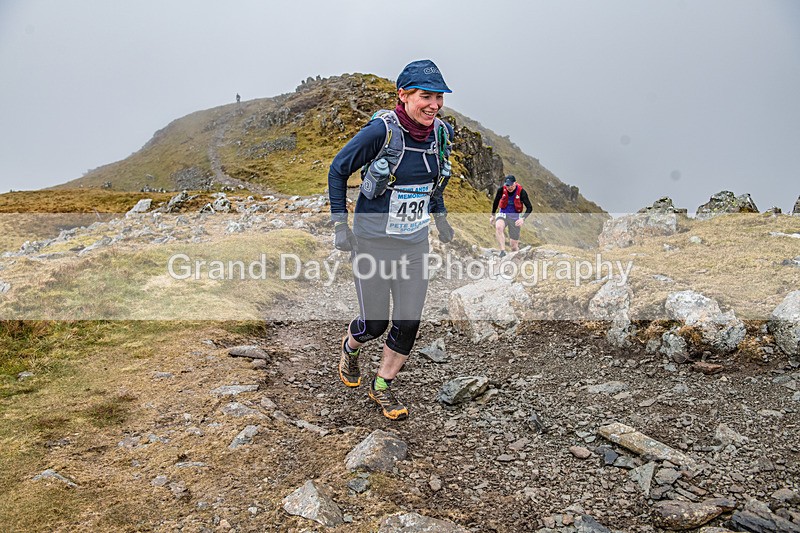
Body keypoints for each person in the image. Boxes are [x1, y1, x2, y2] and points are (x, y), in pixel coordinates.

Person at [328, 59, 455, 420]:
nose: (434, 105)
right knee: (376, 323)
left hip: (414, 243)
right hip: (373, 242)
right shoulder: (381, 132)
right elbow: (338, 169)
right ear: (403, 95)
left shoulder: (440, 134)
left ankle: (381, 385)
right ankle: (351, 346)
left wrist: (441, 220)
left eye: (439, 97)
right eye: (425, 96)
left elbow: (435, 182)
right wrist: (340, 225)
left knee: (409, 319)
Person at [490, 175, 533, 257]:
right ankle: (502, 251)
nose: (509, 187)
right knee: (498, 227)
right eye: (507, 185)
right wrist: (492, 215)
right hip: (503, 213)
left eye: (511, 185)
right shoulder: (501, 190)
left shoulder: (522, 192)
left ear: (515, 183)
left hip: (515, 217)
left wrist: (522, 219)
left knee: (513, 246)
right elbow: (495, 202)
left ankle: (519, 258)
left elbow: (529, 208)